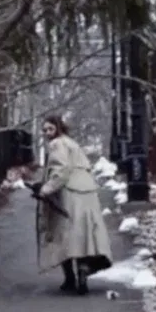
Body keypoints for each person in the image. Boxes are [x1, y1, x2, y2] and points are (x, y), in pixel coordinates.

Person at [28, 115, 113, 294]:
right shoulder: (71, 143)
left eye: (50, 129)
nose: (47, 133)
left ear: (59, 128)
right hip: (87, 193)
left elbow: (61, 171)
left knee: (63, 235)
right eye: (44, 130)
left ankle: (70, 278)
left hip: (69, 194)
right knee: (83, 235)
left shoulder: (57, 144)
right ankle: (83, 270)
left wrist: (45, 189)